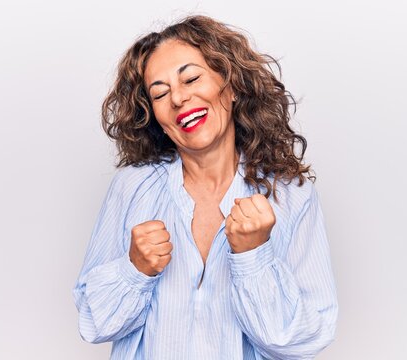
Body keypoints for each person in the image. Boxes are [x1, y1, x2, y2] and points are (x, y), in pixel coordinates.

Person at [73, 15, 338, 360]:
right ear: (154, 117)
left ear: (230, 86)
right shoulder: (131, 187)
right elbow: (94, 322)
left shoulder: (292, 195)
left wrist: (253, 256)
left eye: (191, 78)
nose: (178, 99)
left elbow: (304, 340)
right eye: (160, 93)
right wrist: (133, 269)